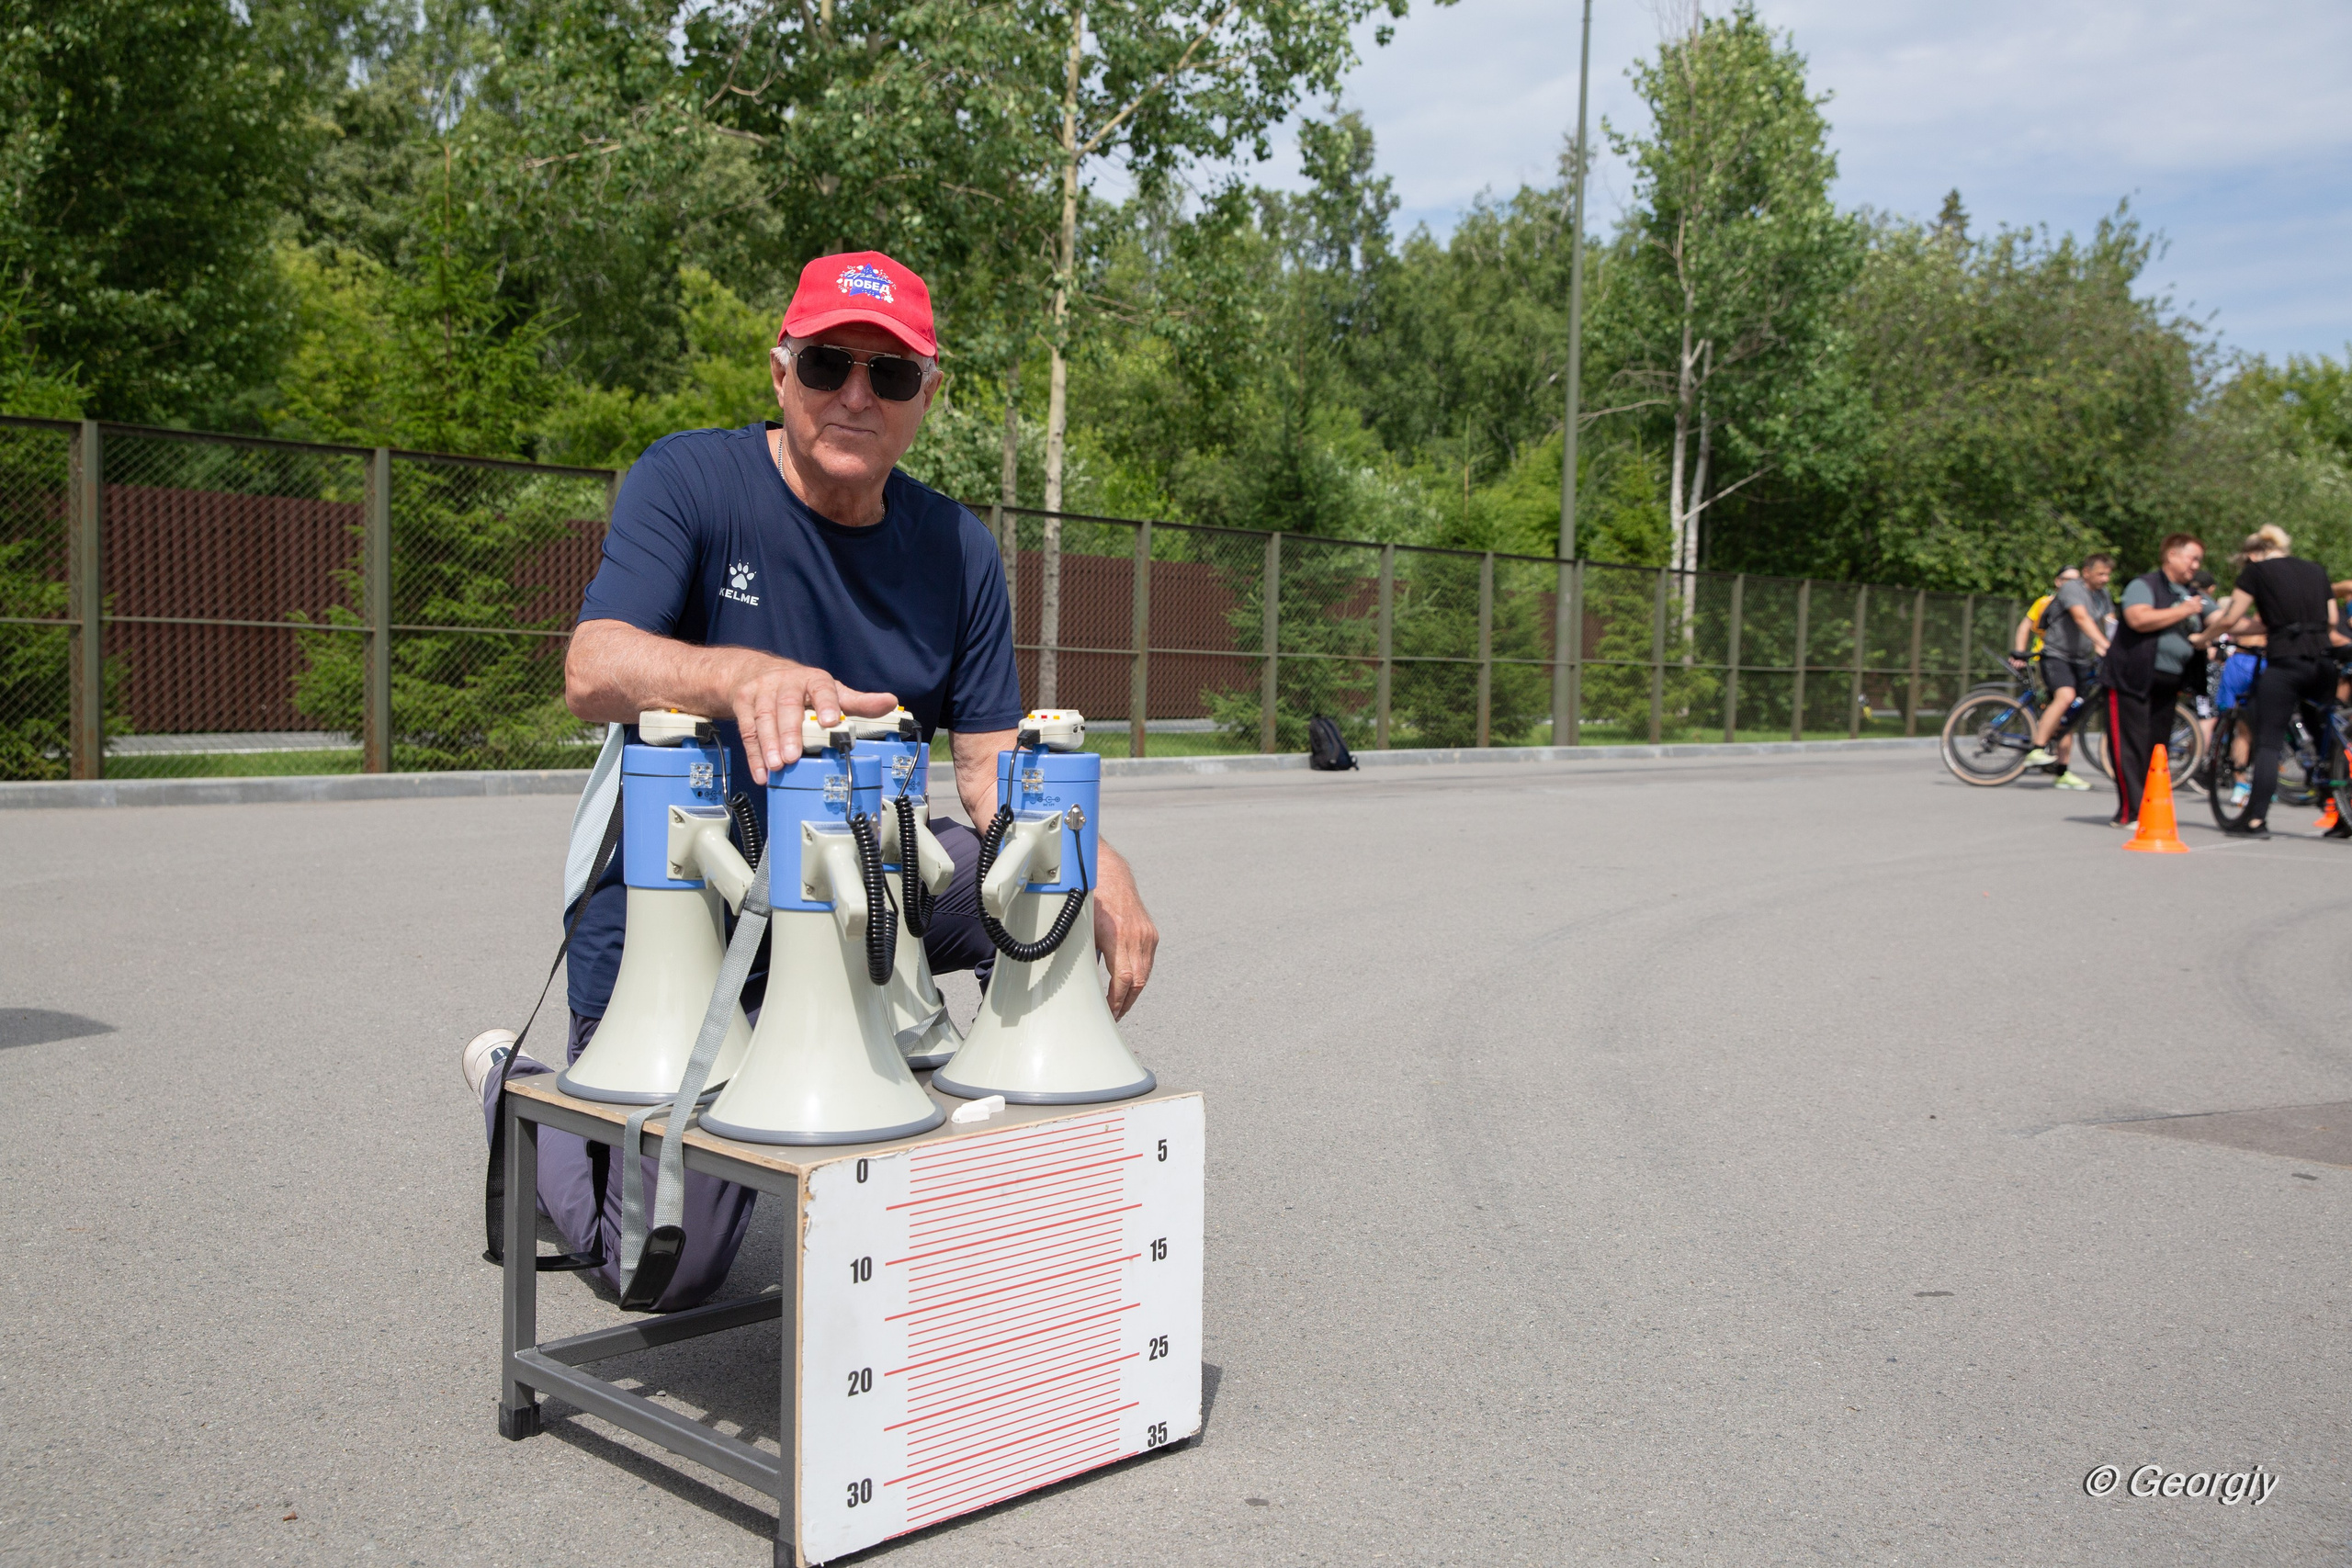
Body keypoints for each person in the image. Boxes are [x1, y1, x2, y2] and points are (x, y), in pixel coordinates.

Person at [459, 250, 1162, 1309]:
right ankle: (517, 1090)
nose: (854, 395)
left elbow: (982, 771)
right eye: (830, 362)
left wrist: (1087, 857)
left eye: (888, 376)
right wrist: (738, 676)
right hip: (677, 886)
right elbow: (590, 666)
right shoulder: (691, 481)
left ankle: (970, 1138)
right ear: (780, 373)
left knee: (1043, 889)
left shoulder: (956, 550)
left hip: (851, 873)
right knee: (656, 1270)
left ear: (928, 396)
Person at [2199, 525, 2349, 838]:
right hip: (2322, 663)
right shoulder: (2316, 570)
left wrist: (2203, 637)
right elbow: (2332, 619)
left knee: (2267, 741)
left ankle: (2255, 819)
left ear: (2253, 554)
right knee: (2325, 736)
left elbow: (2229, 618)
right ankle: (2340, 816)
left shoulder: (2257, 572)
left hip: (2286, 663)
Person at [2108, 534, 2212, 827]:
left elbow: (2224, 618)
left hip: (2169, 682)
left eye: (2199, 561)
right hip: (2132, 676)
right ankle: (2130, 812)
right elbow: (2137, 618)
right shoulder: (2145, 585)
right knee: (2132, 744)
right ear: (2171, 555)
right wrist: (2183, 611)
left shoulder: (2192, 594)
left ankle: (2150, 808)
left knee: (2157, 747)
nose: (2196, 565)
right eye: (2192, 558)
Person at [2022, 554, 2114, 790]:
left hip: (2082, 659)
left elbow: (2111, 623)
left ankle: (2062, 772)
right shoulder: (2072, 589)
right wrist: (2103, 645)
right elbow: (2081, 618)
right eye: (2100, 574)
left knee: (2072, 713)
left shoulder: (2103, 595)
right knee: (2066, 696)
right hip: (2056, 655)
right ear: (2087, 572)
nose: (2105, 579)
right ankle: (2037, 748)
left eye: (2108, 574)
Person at [2010, 566, 2081, 780]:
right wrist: (2021, 653)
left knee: (2066, 713)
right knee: (2057, 705)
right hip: (2046, 660)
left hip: (2069, 662)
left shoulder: (2080, 604)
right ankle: (2041, 748)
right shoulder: (2045, 603)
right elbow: (2025, 627)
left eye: (2076, 581)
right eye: (2067, 580)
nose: (2072, 585)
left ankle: (2061, 769)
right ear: (2057, 582)